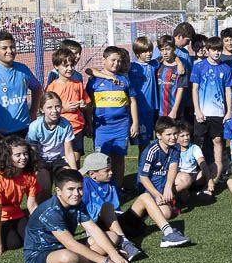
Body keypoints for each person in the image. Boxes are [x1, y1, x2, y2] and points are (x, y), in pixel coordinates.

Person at [22, 169, 129, 263]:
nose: (76, 194)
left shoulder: (77, 203)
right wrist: (105, 262)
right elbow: (71, 244)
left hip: (65, 247)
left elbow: (94, 230)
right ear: (59, 191)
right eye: (70, 189)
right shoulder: (51, 212)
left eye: (80, 188)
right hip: (40, 257)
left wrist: (113, 253)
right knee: (68, 257)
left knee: (112, 236)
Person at [129, 116, 191, 247]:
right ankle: (154, 205)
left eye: (175, 133)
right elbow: (143, 177)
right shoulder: (151, 151)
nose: (173, 137)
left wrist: (168, 187)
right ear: (158, 135)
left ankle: (169, 199)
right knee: (166, 214)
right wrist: (157, 195)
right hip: (149, 189)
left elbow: (173, 166)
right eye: (168, 134)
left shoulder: (175, 147)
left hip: (164, 185)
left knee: (186, 178)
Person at [0, 136, 38, 257]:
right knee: (13, 244)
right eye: (18, 155)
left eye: (25, 154)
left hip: (15, 213)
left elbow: (32, 204)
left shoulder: (30, 176)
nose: (23, 158)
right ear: (8, 157)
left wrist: (42, 226)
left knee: (30, 239)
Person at [86, 46, 139, 184]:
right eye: (113, 60)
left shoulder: (124, 80)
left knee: (119, 159)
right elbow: (88, 104)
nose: (116, 63)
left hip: (121, 126)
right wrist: (88, 123)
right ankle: (102, 189)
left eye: (119, 61)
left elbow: (132, 102)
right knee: (101, 160)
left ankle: (117, 189)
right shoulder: (94, 81)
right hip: (101, 128)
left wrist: (135, 123)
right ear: (104, 60)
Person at [77, 152, 141, 261]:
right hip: (98, 225)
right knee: (107, 207)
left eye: (110, 169)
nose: (111, 172)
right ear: (92, 174)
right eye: (107, 171)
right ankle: (124, 243)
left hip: (116, 220)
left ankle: (168, 232)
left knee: (145, 197)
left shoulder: (111, 182)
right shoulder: (85, 184)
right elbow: (80, 210)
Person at [191, 36, 232, 173]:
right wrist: (197, 110)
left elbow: (228, 91)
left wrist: (228, 111)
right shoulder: (199, 67)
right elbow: (195, 89)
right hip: (202, 112)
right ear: (207, 50)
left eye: (219, 50)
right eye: (214, 50)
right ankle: (195, 170)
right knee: (198, 140)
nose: (217, 53)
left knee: (217, 141)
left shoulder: (226, 68)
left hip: (219, 113)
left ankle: (217, 172)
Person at [27, 91, 77, 200]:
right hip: (41, 160)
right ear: (42, 109)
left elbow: (68, 152)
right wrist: (34, 170)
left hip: (59, 159)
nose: (54, 111)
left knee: (68, 184)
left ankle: (66, 210)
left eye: (57, 106)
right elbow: (33, 153)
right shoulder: (35, 126)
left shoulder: (66, 124)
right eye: (49, 107)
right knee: (44, 188)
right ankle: (44, 211)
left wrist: (75, 173)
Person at [46, 47, 91, 155]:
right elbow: (45, 110)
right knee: (62, 160)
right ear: (56, 66)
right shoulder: (51, 87)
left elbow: (87, 105)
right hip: (59, 128)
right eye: (66, 66)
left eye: (72, 65)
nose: (70, 68)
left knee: (75, 158)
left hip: (76, 128)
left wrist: (84, 106)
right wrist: (64, 108)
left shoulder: (78, 84)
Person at [128, 36, 159, 149]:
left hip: (151, 110)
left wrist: (179, 62)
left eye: (150, 50)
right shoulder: (131, 67)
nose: (149, 53)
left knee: (151, 142)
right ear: (137, 53)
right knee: (143, 145)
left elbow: (165, 58)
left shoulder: (153, 64)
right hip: (138, 110)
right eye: (145, 51)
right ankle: (143, 166)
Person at [173, 122, 212, 204]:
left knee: (212, 167)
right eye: (182, 136)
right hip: (181, 178)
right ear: (176, 137)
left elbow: (202, 162)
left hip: (194, 177)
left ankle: (206, 189)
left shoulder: (194, 147)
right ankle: (177, 193)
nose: (186, 138)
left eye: (187, 135)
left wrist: (209, 179)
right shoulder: (173, 149)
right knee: (185, 197)